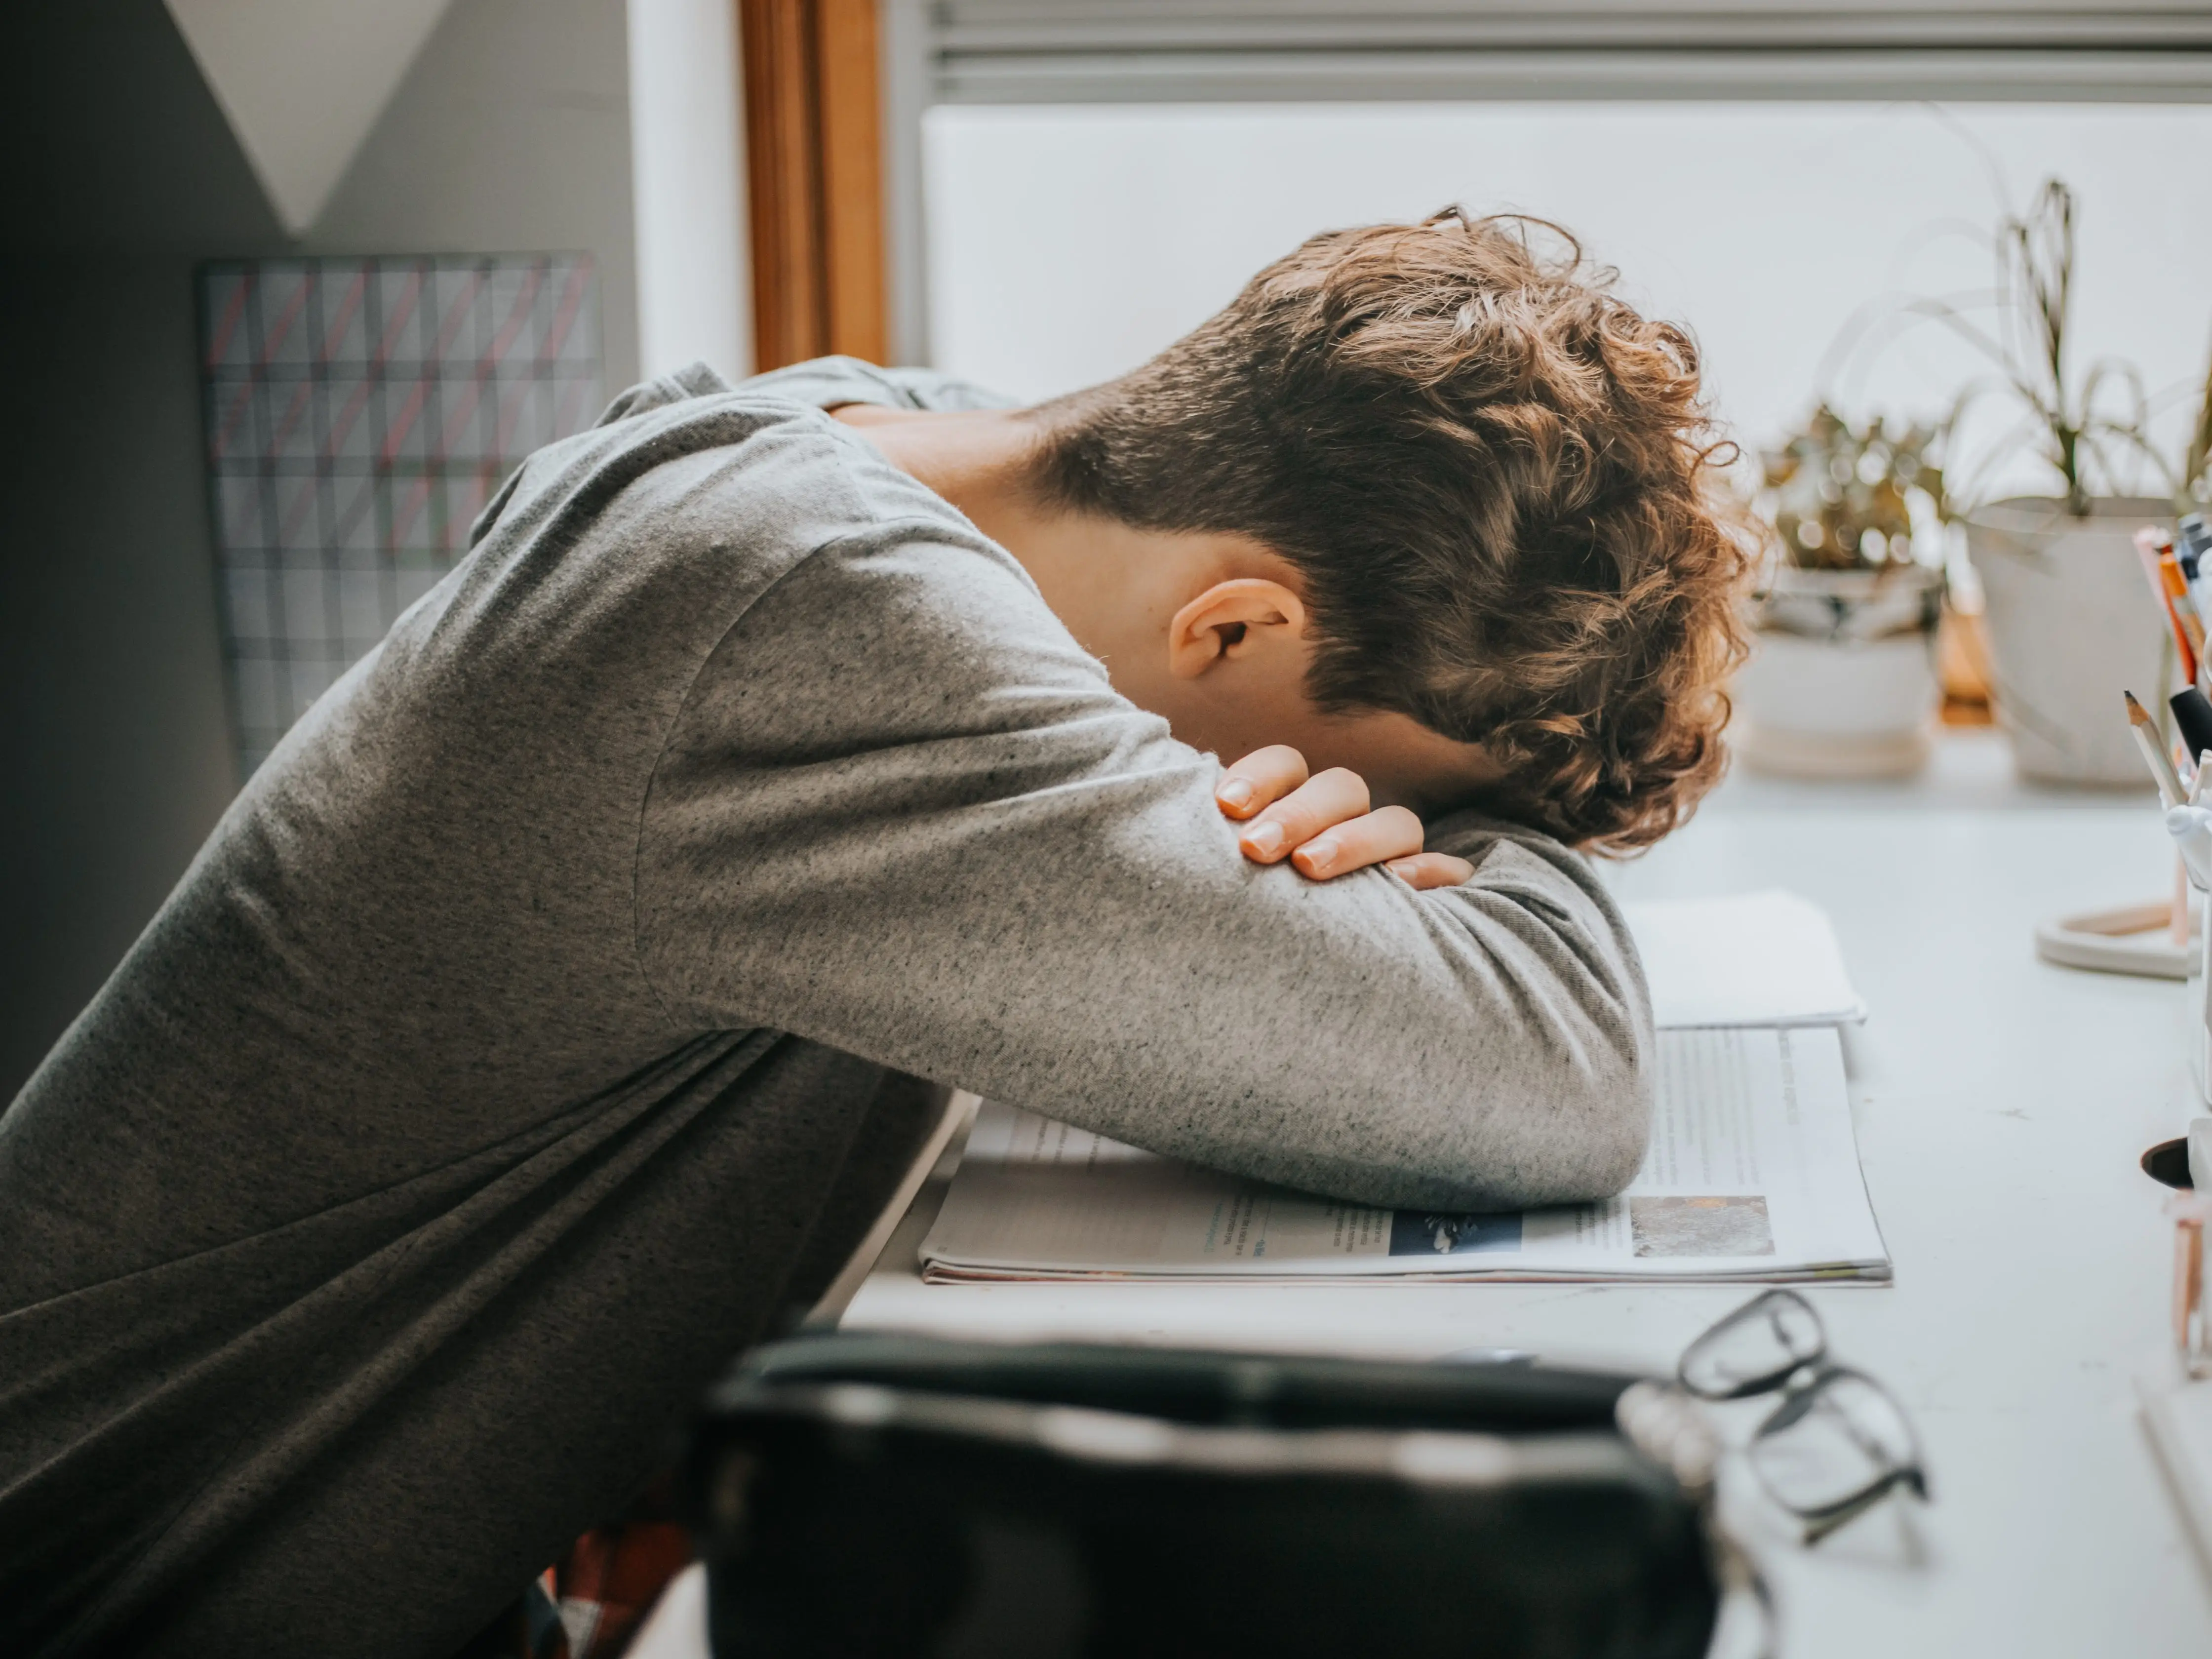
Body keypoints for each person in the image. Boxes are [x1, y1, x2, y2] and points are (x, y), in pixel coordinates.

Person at [0, 209, 1750, 1657]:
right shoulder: (816, 619)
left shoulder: (889, 441)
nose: (1360, 832)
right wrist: (1466, 861)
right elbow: (1554, 1071)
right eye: (1382, 786)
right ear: (1233, 629)